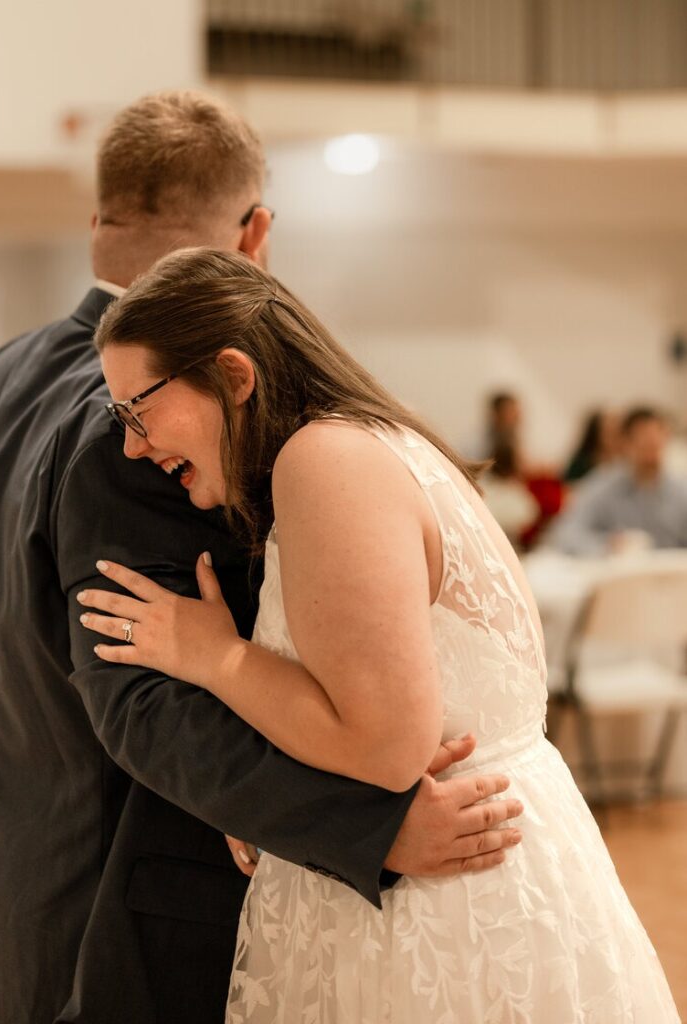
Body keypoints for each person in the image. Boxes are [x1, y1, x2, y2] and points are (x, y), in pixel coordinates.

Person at [0, 91, 521, 1024]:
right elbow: (141, 699)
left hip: (2, 900)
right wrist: (367, 826)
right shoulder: (132, 419)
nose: (140, 439)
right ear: (256, 232)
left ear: (97, 222)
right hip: (118, 911)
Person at [80, 248, 679, 1022]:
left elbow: (385, 746)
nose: (131, 444)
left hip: (443, 911)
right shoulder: (371, 442)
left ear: (233, 375)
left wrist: (214, 656)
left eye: (137, 409)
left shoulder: (323, 460)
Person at [553, 406, 687, 556]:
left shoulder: (680, 489)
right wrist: (607, 544)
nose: (651, 454)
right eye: (644, 444)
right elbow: (567, 533)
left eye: (656, 444)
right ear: (626, 444)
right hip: (620, 566)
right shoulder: (602, 485)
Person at [562, 408, 622, 484]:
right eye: (609, 433)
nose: (614, 438)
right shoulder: (581, 464)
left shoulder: (623, 464)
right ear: (597, 434)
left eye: (617, 433)